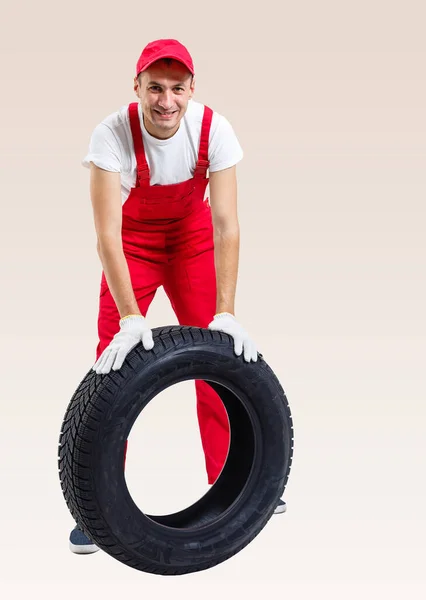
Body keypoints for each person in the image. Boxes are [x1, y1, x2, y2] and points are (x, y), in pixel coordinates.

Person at [69, 38, 286, 555]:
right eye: (155, 88)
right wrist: (128, 316)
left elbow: (228, 224)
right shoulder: (111, 135)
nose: (166, 100)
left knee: (218, 360)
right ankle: (95, 511)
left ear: (192, 89)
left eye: (177, 88)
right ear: (137, 88)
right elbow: (106, 235)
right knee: (112, 372)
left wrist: (226, 312)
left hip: (192, 243)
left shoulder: (214, 129)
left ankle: (231, 483)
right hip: (134, 245)